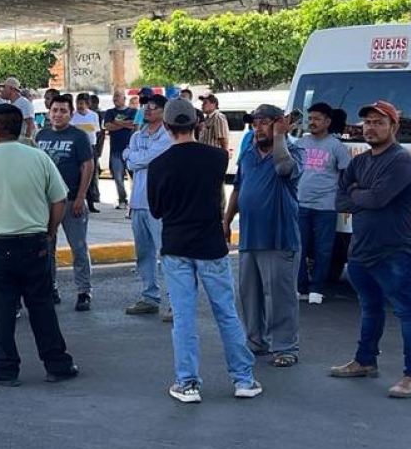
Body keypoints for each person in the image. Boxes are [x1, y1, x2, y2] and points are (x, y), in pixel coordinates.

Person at [150, 98, 262, 402]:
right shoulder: (215, 158)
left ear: (167, 126)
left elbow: (156, 210)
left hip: (176, 246)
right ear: (197, 123)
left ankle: (187, 383)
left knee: (184, 318)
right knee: (226, 313)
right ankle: (243, 379)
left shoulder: (158, 165)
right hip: (210, 245)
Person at [0, 102, 78, 386]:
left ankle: (4, 367)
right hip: (34, 241)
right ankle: (57, 364)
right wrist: (48, 233)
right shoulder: (38, 157)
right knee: (42, 305)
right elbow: (59, 199)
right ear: (22, 128)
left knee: (1, 309)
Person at [331, 101, 411, 398]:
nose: (370, 128)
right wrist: (362, 194)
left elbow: (377, 199)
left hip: (393, 252)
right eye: (367, 122)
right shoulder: (359, 161)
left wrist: (357, 193)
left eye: (378, 122)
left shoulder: (402, 162)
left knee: (407, 313)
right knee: (370, 308)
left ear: (394, 127)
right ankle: (365, 360)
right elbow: (339, 201)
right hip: (360, 251)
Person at [223, 104, 304, 367]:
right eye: (254, 123)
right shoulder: (248, 155)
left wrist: (280, 137)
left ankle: (285, 346)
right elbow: (238, 190)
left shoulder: (293, 151)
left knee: (280, 295)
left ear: (279, 123)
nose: (257, 128)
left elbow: (284, 169)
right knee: (250, 294)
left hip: (279, 238)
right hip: (249, 237)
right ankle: (256, 342)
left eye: (264, 123)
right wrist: (226, 221)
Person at [35, 94, 96, 311]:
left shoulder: (79, 137)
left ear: (70, 114)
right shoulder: (41, 135)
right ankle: (50, 287)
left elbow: (87, 166)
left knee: (78, 247)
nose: (58, 114)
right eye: (55, 110)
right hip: (45, 202)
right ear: (49, 112)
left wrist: (81, 197)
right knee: (46, 247)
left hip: (71, 201)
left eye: (63, 111)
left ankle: (83, 291)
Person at [295, 102, 351, 304]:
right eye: (310, 118)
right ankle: (300, 286)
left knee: (323, 249)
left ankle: (317, 289)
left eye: (317, 119)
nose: (312, 122)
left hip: (326, 206)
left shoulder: (336, 146)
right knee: (299, 247)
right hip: (301, 203)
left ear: (327, 121)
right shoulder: (301, 143)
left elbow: (346, 174)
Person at [123, 93, 173, 318]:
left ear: (163, 111)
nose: (148, 110)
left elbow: (142, 159)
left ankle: (175, 301)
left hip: (159, 204)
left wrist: (133, 157)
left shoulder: (167, 137)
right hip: (138, 202)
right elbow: (130, 160)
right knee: (144, 253)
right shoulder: (137, 135)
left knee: (167, 253)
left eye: (153, 107)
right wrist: (133, 158)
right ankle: (149, 297)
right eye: (145, 107)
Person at [104, 89, 138, 210]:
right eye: (114, 97)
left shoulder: (133, 111)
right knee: (118, 178)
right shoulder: (109, 112)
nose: (115, 99)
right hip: (116, 150)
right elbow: (108, 126)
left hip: (131, 150)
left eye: (118, 96)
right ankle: (122, 199)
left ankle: (135, 201)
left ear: (124, 98)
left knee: (134, 178)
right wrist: (125, 124)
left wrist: (117, 122)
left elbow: (134, 124)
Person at [70, 93, 103, 213]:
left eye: (82, 103)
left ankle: (91, 202)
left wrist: (98, 149)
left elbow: (98, 132)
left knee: (91, 175)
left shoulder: (94, 115)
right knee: (78, 175)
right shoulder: (73, 117)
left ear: (88, 104)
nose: (80, 106)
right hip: (76, 148)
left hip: (90, 147)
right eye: (78, 103)